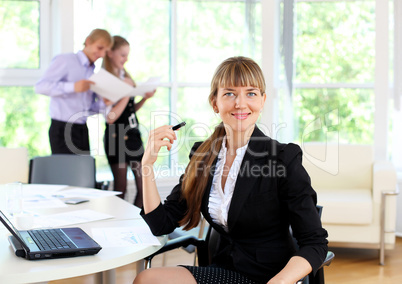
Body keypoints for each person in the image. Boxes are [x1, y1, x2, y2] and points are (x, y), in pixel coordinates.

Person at [134, 56, 328, 284]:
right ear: (215, 102)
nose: (240, 103)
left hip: (273, 277)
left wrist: (280, 282)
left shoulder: (283, 158)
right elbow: (161, 224)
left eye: (251, 93)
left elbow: (315, 243)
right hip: (225, 271)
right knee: (147, 279)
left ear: (263, 100)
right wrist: (146, 165)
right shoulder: (203, 156)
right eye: (229, 94)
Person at [35, 28, 113, 155]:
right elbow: (41, 86)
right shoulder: (65, 60)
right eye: (100, 48)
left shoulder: (92, 72)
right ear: (88, 42)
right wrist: (72, 87)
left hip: (81, 128)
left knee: (84, 172)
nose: (102, 54)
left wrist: (104, 103)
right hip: (62, 128)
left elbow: (88, 109)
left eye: (105, 51)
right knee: (66, 172)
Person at [102, 35, 155, 207]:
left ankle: (136, 224)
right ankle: (116, 226)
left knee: (143, 186)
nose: (126, 59)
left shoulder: (126, 75)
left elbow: (129, 110)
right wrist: (126, 91)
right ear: (110, 54)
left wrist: (144, 98)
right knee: (121, 188)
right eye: (122, 55)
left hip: (133, 135)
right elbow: (111, 118)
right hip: (115, 137)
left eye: (127, 55)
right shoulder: (105, 79)